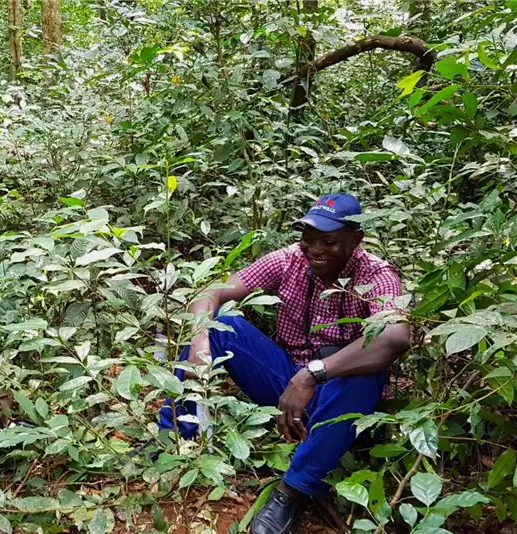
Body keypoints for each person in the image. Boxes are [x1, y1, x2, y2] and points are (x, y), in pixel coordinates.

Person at [158, 193, 411, 534]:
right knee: (221, 325)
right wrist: (200, 337)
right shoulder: (290, 260)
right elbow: (211, 292)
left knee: (366, 374)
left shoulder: (376, 275)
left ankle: (292, 492)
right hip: (285, 384)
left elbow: (395, 337)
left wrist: (311, 375)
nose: (315, 249)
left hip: (339, 399)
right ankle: (172, 439)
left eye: (328, 241)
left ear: (355, 240)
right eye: (308, 238)